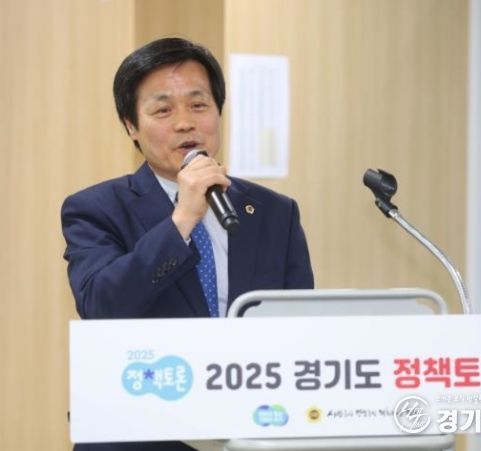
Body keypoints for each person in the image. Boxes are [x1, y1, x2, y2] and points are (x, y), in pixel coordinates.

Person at [61, 37, 314, 450]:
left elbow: (297, 326)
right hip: (141, 434)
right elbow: (101, 306)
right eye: (163, 110)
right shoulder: (96, 209)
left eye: (198, 105)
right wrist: (181, 220)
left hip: (251, 430)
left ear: (218, 112)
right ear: (131, 126)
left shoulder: (274, 212)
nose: (185, 123)